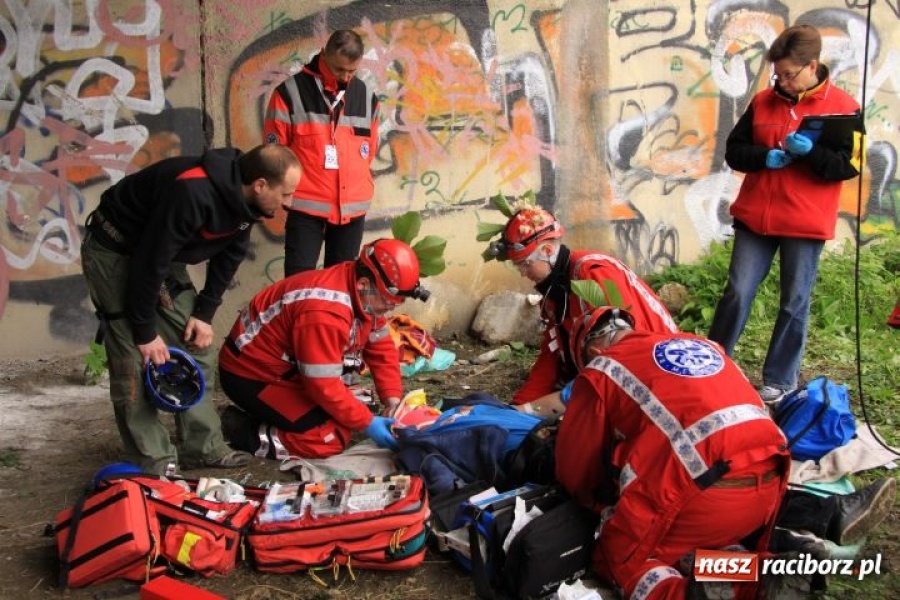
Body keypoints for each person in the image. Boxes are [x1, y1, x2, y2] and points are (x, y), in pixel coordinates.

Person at [81, 144, 303, 475]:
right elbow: (148, 262)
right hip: (116, 250)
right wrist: (145, 332)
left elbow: (229, 256)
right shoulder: (191, 191)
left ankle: (202, 447)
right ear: (260, 184)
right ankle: (154, 460)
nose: (289, 202)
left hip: (157, 255)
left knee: (196, 342)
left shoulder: (247, 204)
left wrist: (203, 314)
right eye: (286, 193)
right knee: (131, 354)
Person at [555, 306, 791, 600]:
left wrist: (594, 503)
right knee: (693, 549)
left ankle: (699, 592)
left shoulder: (602, 369)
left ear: (592, 350)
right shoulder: (702, 344)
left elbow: (575, 468)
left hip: (705, 492)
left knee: (622, 558)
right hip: (770, 482)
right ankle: (764, 572)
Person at [708, 24, 862, 404]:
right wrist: (765, 157)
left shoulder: (845, 108)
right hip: (756, 217)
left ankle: (779, 380)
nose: (782, 82)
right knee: (738, 291)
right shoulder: (762, 102)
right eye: (777, 74)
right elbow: (734, 150)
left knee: (794, 301)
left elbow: (849, 166)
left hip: (805, 222)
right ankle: (712, 360)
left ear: (812, 66)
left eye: (789, 75)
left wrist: (812, 153)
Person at [217, 239, 430, 459]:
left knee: (353, 408)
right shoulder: (326, 313)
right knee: (328, 438)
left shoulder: (356, 284)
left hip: (283, 367)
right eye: (388, 302)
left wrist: (393, 400)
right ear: (364, 284)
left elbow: (380, 349)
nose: (390, 308)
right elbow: (322, 384)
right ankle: (241, 429)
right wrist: (367, 423)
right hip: (251, 375)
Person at [486, 207, 678, 407]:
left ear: (548, 251)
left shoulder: (593, 273)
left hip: (659, 374)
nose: (523, 273)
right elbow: (551, 355)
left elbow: (628, 348)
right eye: (518, 267)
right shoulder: (555, 290)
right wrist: (518, 406)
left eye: (526, 264)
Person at [264, 29, 380, 276]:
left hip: (351, 210)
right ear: (324, 54)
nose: (346, 77)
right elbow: (274, 155)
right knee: (298, 286)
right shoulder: (289, 94)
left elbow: (369, 152)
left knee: (340, 288)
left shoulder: (368, 98)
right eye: (339, 70)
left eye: (352, 71)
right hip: (306, 210)